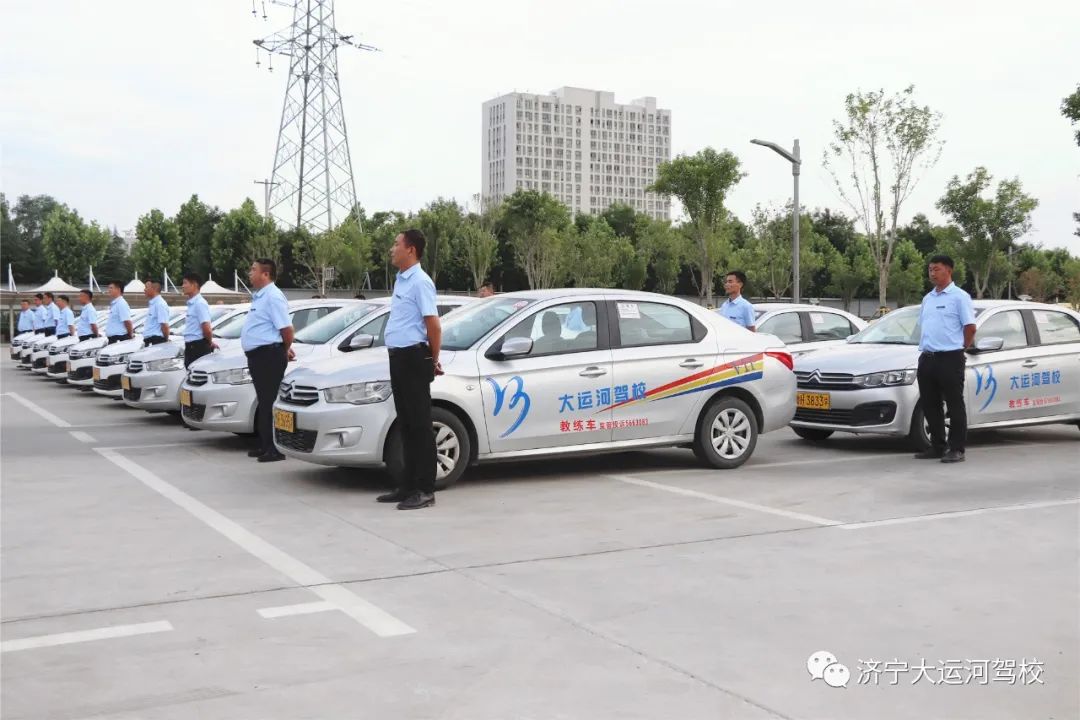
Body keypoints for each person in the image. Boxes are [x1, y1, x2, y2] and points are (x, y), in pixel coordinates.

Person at [376, 229, 441, 511]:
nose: (392, 249)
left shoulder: (421, 282)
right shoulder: (401, 280)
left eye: (396, 244)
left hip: (415, 357)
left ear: (411, 249)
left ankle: (425, 489)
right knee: (405, 423)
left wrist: (432, 358)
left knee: (420, 425)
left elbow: (433, 325)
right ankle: (407, 485)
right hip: (398, 357)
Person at [915, 255, 976, 464]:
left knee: (954, 403)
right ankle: (938, 445)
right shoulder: (928, 299)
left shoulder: (959, 297)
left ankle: (957, 448)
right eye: (930, 269)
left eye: (937, 269)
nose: (932, 273)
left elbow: (970, 327)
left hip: (950, 357)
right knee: (930, 403)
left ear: (949, 270)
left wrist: (961, 347)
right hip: (928, 358)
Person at [241, 258, 294, 463]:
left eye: (253, 270)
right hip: (259, 356)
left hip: (268, 356)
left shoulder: (273, 296)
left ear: (265, 274)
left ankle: (274, 448)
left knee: (270, 402)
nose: (249, 273)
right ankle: (265, 444)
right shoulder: (260, 297)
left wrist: (283, 349)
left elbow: (286, 329)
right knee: (264, 403)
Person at [181, 273, 216, 367]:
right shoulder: (192, 303)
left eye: (185, 283)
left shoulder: (200, 303)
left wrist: (208, 343)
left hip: (197, 346)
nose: (182, 286)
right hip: (191, 346)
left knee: (197, 375)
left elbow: (207, 328)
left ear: (194, 285)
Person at [142, 280, 170, 346]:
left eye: (146, 287)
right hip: (150, 340)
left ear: (154, 289)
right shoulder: (153, 303)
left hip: (156, 340)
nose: (144, 289)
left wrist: (165, 339)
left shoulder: (160, 304)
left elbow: (164, 325)